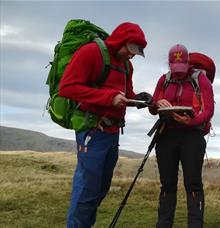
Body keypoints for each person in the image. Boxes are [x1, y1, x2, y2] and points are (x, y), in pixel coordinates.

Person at [59, 22, 151, 228]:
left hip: (112, 132)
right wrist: (108, 98)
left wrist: (140, 99)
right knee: (87, 189)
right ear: (120, 41)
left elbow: (126, 95)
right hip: (93, 129)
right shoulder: (91, 52)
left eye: (136, 52)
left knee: (100, 188)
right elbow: (67, 87)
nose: (132, 55)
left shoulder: (127, 66)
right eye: (131, 49)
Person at [149, 44, 214, 228]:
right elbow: (153, 109)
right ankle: (163, 224)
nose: (178, 73)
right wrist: (156, 103)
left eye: (182, 69)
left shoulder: (201, 79)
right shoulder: (164, 80)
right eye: (174, 69)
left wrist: (191, 121)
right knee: (167, 184)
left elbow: (209, 110)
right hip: (166, 135)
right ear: (169, 64)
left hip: (192, 137)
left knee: (193, 183)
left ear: (188, 63)